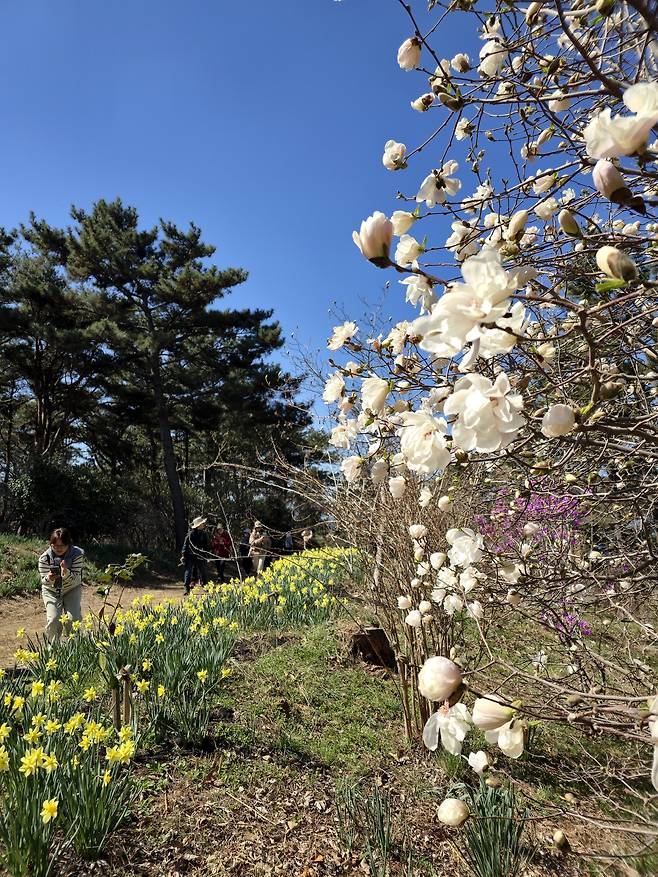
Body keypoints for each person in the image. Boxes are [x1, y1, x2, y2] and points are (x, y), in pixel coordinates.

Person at [38, 527, 84, 643]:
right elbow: (43, 581)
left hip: (72, 589)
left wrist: (66, 573)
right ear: (51, 544)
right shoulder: (44, 558)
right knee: (53, 620)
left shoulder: (77, 554)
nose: (58, 548)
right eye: (55, 546)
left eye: (62, 545)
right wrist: (49, 577)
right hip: (51, 590)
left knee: (73, 620)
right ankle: (53, 649)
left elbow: (75, 578)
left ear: (68, 544)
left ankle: (75, 647)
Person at [181, 516, 211, 595]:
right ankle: (186, 589)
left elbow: (206, 546)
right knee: (188, 572)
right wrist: (183, 555)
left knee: (203, 571)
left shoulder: (204, 534)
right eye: (202, 524)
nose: (203, 524)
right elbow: (185, 545)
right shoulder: (190, 534)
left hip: (200, 555)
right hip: (190, 556)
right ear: (198, 525)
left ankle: (206, 587)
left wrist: (206, 555)